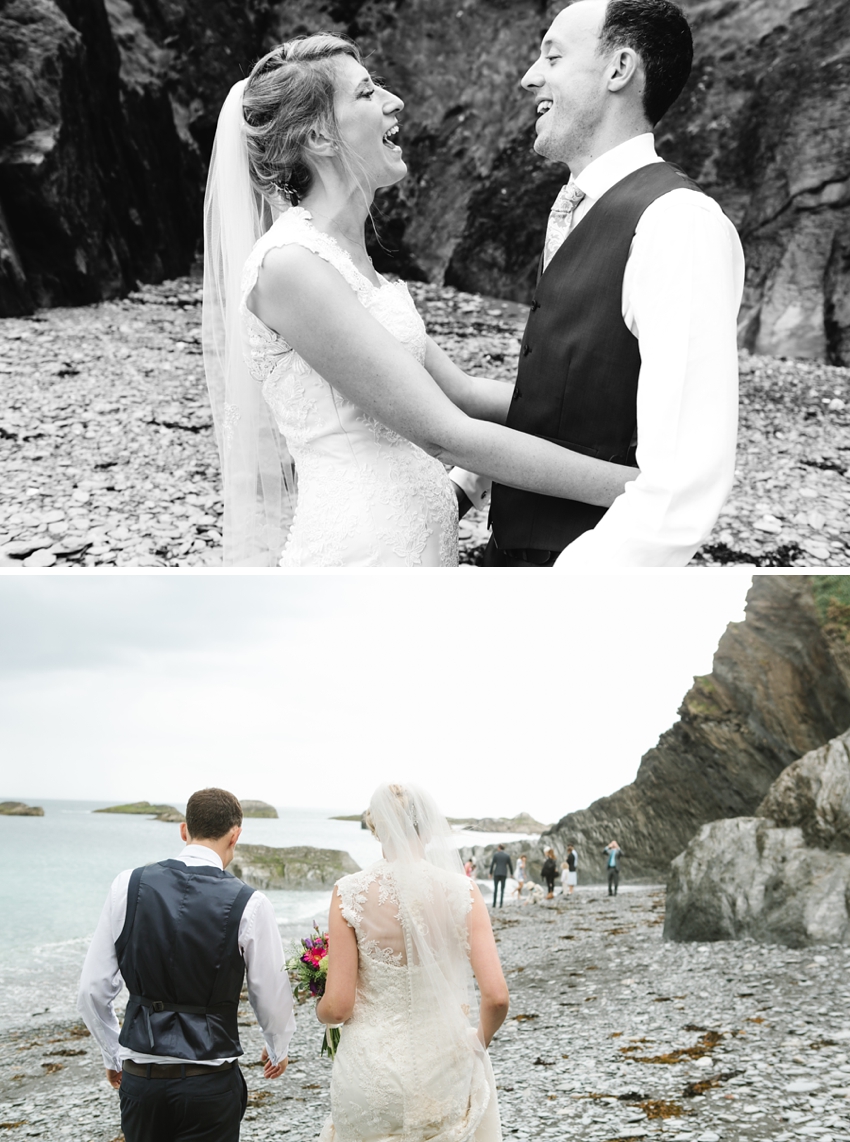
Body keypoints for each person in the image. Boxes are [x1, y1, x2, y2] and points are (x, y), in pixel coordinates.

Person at [202, 33, 639, 566]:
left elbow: (465, 394)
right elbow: (445, 435)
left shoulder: (355, 267)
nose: (394, 102)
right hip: (363, 558)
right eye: (366, 93)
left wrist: (628, 419)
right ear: (319, 135)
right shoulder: (289, 267)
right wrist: (640, 489)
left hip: (421, 541)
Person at [453, 0, 745, 567]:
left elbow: (682, 484)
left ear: (618, 70)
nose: (527, 77)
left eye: (553, 56)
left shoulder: (677, 223)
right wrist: (465, 486)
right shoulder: (574, 211)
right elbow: (564, 398)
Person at [77, 788, 295, 1142]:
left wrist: (114, 1054)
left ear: (184, 830)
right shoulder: (251, 903)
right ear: (235, 834)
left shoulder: (126, 886)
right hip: (209, 1084)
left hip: (141, 1082)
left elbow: (91, 991)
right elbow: (270, 994)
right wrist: (277, 1048)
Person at [315, 783, 508, 1141]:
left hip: (369, 1078)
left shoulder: (349, 891)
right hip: (442, 1074)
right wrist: (477, 1041)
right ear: (429, 828)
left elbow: (339, 1006)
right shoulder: (462, 891)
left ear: (377, 829)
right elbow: (497, 998)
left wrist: (319, 1009)